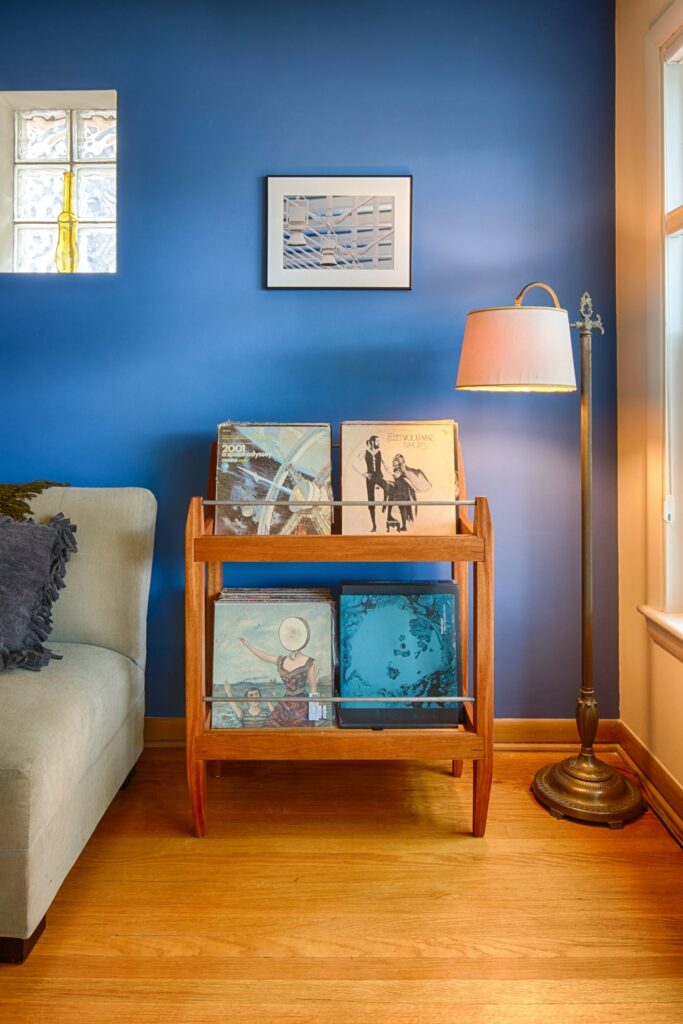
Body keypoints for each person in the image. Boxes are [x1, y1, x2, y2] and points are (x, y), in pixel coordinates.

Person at [239, 616, 317, 727]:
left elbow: (313, 689)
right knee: (269, 727)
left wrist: (315, 715)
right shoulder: (282, 660)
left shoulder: (309, 662)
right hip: (284, 706)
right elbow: (265, 657)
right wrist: (249, 646)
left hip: (302, 707)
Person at [352, 435, 389, 532]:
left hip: (379, 477)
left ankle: (384, 505)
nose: (379, 443)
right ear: (372, 442)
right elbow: (354, 463)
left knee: (388, 488)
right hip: (370, 478)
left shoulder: (380, 453)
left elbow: (386, 466)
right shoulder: (364, 452)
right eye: (377, 441)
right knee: (371, 501)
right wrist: (363, 473)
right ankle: (374, 525)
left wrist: (392, 473)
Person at [386, 453, 432, 531]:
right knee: (403, 508)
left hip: (402, 490)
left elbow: (404, 478)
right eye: (395, 460)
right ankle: (404, 526)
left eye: (397, 460)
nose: (394, 461)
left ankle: (404, 526)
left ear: (399, 462)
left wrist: (412, 487)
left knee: (403, 508)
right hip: (400, 490)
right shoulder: (397, 469)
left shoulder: (399, 469)